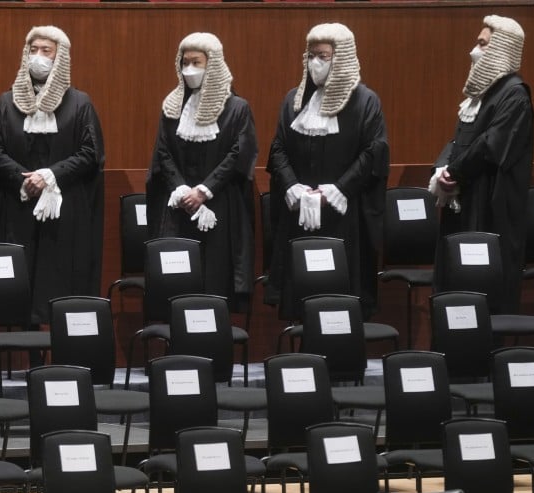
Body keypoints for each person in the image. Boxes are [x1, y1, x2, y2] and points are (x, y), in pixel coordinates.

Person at [0, 25, 105, 324]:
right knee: (21, 281)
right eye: (33, 50)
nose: (38, 56)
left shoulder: (80, 103)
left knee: (60, 281)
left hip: (64, 211)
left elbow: (91, 153)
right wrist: (25, 179)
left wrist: (50, 175)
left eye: (46, 50)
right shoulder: (6, 102)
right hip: (18, 205)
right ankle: (30, 356)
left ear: (60, 57)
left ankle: (63, 354)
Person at [266, 23, 388, 319]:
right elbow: (278, 148)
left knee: (341, 292)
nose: (315, 63)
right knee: (300, 292)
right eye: (311, 55)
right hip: (300, 211)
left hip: (345, 214)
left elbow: (374, 153)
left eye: (323, 55)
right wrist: (294, 187)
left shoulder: (365, 101)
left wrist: (337, 190)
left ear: (342, 58)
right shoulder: (293, 100)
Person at [145, 32, 257, 312]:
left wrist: (204, 190)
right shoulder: (172, 106)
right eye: (184, 63)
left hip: (220, 207)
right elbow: (163, 152)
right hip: (178, 207)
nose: (189, 70)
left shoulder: (237, 108)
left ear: (214, 64)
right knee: (178, 280)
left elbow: (238, 154)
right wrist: (182, 189)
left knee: (215, 279)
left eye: (196, 62)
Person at [429, 15, 533, 313]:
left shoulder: (514, 94)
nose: (474, 50)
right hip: (462, 196)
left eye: (482, 43)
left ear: (501, 49)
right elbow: (457, 138)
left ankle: (482, 356)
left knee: (481, 287)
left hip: (487, 205)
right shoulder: (481, 94)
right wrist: (442, 169)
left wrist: (455, 172)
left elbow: (490, 145)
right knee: (456, 281)